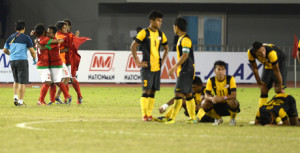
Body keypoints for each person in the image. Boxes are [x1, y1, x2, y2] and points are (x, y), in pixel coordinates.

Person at [130, 10, 169, 121]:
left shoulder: (161, 34)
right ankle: (144, 115)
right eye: (158, 20)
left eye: (161, 21)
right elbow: (133, 46)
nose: (160, 23)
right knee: (146, 91)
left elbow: (167, 48)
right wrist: (138, 62)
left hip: (157, 67)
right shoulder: (144, 32)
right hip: (147, 67)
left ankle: (149, 114)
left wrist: (163, 60)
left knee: (152, 91)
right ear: (152, 20)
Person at [162, 17, 196, 124]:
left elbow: (185, 55)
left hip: (186, 70)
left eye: (173, 27)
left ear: (176, 27)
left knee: (178, 94)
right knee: (189, 95)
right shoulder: (182, 39)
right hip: (188, 70)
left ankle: (172, 118)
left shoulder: (185, 40)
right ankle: (193, 118)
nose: (173, 29)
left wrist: (174, 66)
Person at [35, 25, 72, 105]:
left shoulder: (53, 42)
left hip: (56, 63)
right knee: (51, 83)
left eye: (49, 33)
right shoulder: (48, 40)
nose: (47, 34)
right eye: (47, 32)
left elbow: (43, 48)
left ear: (54, 33)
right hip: (50, 64)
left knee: (57, 81)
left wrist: (37, 42)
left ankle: (67, 96)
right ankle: (52, 101)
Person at [2, 20, 36, 106]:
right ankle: (20, 102)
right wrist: (35, 59)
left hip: (12, 61)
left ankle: (15, 97)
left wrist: (11, 54)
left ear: (15, 28)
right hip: (22, 61)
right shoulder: (26, 38)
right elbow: (32, 51)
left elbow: (5, 50)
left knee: (16, 80)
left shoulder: (10, 37)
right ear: (24, 28)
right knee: (22, 82)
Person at [248, 41, 287, 107]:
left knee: (278, 90)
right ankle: (262, 112)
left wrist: (280, 85)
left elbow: (276, 71)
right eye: (260, 53)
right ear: (255, 52)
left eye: (263, 50)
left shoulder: (272, 53)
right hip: (267, 64)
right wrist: (259, 83)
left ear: (263, 47)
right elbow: (255, 68)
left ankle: (281, 113)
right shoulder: (250, 53)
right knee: (263, 89)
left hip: (279, 64)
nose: (263, 54)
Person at [202, 60, 240, 125]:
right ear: (214, 71)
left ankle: (232, 119)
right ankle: (218, 119)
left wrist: (222, 98)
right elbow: (206, 95)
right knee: (204, 103)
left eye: (222, 69)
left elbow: (234, 95)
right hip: (216, 105)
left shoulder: (230, 79)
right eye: (219, 69)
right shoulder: (211, 80)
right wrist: (212, 98)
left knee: (234, 102)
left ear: (225, 70)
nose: (221, 72)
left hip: (228, 105)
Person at [51, 21, 71, 104]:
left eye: (66, 27)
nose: (66, 29)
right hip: (60, 60)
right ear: (59, 29)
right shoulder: (61, 36)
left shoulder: (56, 35)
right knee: (66, 78)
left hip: (58, 60)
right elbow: (63, 49)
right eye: (64, 27)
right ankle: (57, 96)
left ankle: (56, 98)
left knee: (59, 80)